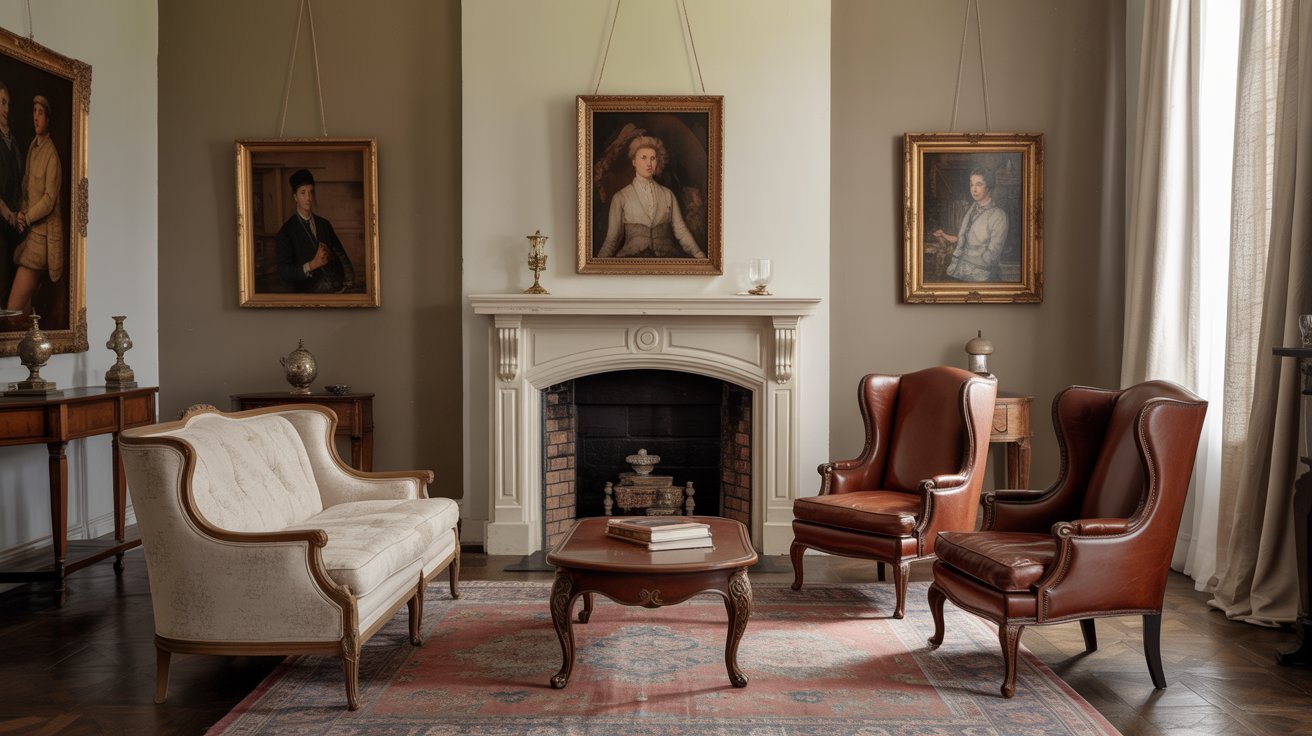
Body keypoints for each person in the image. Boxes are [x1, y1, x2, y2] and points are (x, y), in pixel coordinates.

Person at [596, 135, 706, 259]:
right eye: (644, 158)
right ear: (634, 162)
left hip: (666, 260)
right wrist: (597, 264)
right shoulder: (621, 197)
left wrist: (698, 254)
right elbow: (612, 239)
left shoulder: (667, 194)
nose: (649, 163)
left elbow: (681, 231)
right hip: (632, 262)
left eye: (653, 158)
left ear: (658, 161)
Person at [6, 95, 62, 315]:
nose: (36, 117)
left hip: (41, 240)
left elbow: (49, 200)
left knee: (12, 310)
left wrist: (27, 217)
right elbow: (27, 184)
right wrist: (20, 213)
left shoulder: (52, 155)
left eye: (41, 113)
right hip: (29, 234)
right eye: (34, 111)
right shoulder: (33, 146)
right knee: (26, 311)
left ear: (48, 120)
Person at [274, 168, 354, 293]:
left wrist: (349, 279)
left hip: (337, 290)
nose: (308, 198)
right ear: (295, 197)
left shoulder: (324, 224)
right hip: (308, 294)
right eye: (303, 193)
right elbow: (284, 271)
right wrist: (311, 265)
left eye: (311, 192)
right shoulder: (286, 231)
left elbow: (340, 253)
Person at [932, 166, 1009, 282]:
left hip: (982, 276)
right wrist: (944, 235)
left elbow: (992, 256)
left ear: (989, 187)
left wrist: (965, 259)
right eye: (971, 184)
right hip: (958, 271)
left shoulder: (999, 216)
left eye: (979, 184)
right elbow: (965, 240)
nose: (974, 189)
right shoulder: (971, 209)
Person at [0, 83, 23, 308]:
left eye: (8, 104)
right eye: (2, 103)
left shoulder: (13, 142)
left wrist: (19, 214)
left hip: (14, 222)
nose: (6, 109)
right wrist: (7, 212)